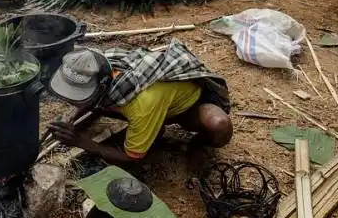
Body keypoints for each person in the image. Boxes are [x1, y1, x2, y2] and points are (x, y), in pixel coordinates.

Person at [47, 41, 232, 166]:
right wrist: (71, 117)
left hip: (189, 107)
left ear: (102, 88)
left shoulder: (141, 105)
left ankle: (196, 143)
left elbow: (132, 159)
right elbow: (91, 97)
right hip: (155, 101)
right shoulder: (102, 62)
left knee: (220, 126)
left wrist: (80, 141)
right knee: (120, 110)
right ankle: (152, 131)